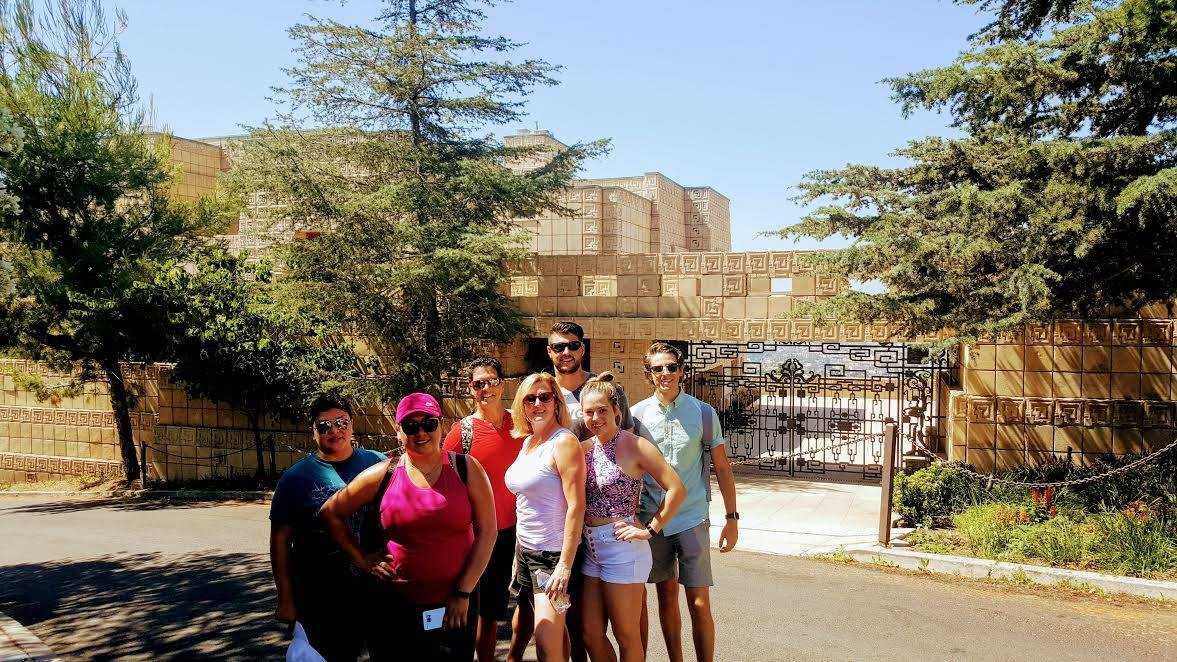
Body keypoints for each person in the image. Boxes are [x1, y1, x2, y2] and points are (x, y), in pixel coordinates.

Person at [320, 392, 497, 661]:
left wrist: (463, 592)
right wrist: (362, 560)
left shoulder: (466, 468)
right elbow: (331, 512)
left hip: (455, 606)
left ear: (441, 424)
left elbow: (488, 532)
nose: (421, 432)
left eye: (429, 423)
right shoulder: (383, 475)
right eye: (410, 426)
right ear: (399, 432)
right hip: (395, 608)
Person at [632, 342, 739, 662]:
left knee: (699, 601)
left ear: (682, 371)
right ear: (649, 374)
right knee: (665, 596)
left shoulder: (704, 414)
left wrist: (732, 518)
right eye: (658, 368)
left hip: (692, 518)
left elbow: (722, 467)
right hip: (654, 520)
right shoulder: (636, 416)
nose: (665, 373)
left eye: (671, 367)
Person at [269, 394, 387, 661]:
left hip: (375, 588)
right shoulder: (296, 478)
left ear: (352, 424)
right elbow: (279, 542)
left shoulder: (377, 463)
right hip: (321, 594)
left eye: (341, 422)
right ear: (314, 432)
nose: (335, 430)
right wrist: (285, 598)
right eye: (324, 426)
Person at [578, 373, 685, 662]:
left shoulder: (636, 445)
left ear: (616, 410)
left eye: (602, 410)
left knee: (627, 635)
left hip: (624, 549)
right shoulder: (585, 449)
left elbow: (676, 489)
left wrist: (650, 530)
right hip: (591, 548)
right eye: (589, 412)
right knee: (590, 633)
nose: (596, 417)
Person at [442, 357, 523, 662]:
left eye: (491, 381)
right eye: (478, 384)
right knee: (465, 608)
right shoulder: (461, 433)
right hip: (472, 537)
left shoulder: (520, 425)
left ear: (502, 384)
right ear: (471, 389)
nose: (486, 388)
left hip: (511, 534)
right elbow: (443, 479)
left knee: (492, 613)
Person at [503, 372, 586, 662]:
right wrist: (517, 553)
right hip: (525, 550)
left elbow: (577, 506)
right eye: (530, 398)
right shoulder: (529, 443)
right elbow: (525, 502)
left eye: (545, 397)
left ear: (556, 402)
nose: (538, 403)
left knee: (546, 642)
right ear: (521, 405)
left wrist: (564, 565)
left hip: (551, 555)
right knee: (547, 638)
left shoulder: (564, 443)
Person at [547, 320, 634, 440]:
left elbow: (628, 439)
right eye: (558, 347)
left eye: (573, 346)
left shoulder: (608, 389)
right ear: (549, 351)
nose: (566, 352)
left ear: (582, 349)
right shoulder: (541, 395)